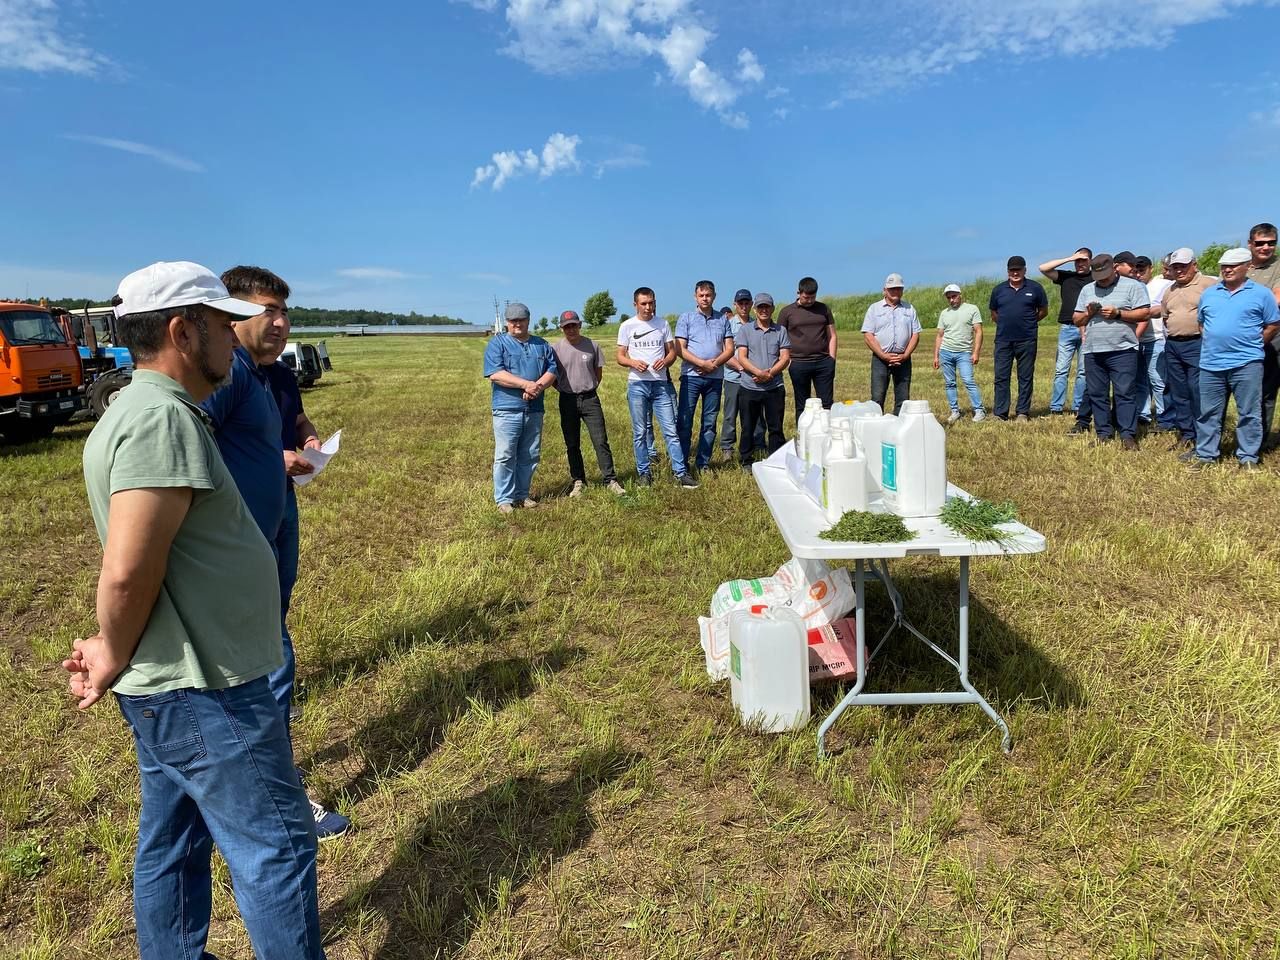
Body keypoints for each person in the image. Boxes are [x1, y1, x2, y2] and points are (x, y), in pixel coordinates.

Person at [65, 260, 326, 960]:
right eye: (218, 320)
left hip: (175, 686)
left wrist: (114, 646)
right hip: (207, 687)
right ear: (184, 331)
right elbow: (125, 571)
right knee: (277, 846)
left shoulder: (137, 412)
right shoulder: (160, 421)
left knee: (174, 838)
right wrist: (111, 648)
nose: (232, 332)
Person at [201, 265, 348, 839]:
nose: (282, 324)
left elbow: (289, 420)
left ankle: (263, 777)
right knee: (268, 654)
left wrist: (304, 443)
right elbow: (199, 454)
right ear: (233, 314)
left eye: (285, 312)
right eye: (269, 311)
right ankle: (279, 790)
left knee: (274, 635)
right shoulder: (226, 377)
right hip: (242, 537)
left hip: (279, 515)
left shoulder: (272, 374)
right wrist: (273, 462)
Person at [1188, 247, 1280, 468]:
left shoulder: (1261, 294)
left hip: (1247, 363)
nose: (1227, 270)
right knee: (1208, 412)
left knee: (1249, 412)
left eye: (1232, 266)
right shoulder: (1210, 293)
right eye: (1224, 266)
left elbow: (1273, 324)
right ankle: (1206, 455)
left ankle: (1248, 457)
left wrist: (1255, 344)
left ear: (1247, 266)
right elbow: (1202, 324)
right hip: (1211, 363)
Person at [617, 287, 698, 488]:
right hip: (637, 385)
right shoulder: (627, 326)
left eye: (651, 302)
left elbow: (672, 352)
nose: (648, 307)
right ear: (635, 304)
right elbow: (619, 356)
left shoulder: (662, 324)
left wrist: (666, 361)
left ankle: (681, 473)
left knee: (670, 430)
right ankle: (644, 474)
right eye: (643, 303)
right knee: (640, 432)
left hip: (661, 385)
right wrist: (633, 363)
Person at [483, 302, 559, 512]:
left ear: (528, 321)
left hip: (534, 409)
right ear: (507, 323)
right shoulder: (497, 344)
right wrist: (526, 384)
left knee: (530, 454)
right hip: (507, 409)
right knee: (506, 454)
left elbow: (552, 370)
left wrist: (537, 387)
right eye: (513, 321)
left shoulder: (542, 345)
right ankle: (504, 499)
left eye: (521, 320)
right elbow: (495, 374)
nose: (518, 324)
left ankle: (521, 494)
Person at [1072, 254, 1151, 449]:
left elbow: (1144, 313)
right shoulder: (1087, 289)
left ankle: (1127, 435)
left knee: (1124, 392)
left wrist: (1119, 313)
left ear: (1114, 269)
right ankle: (1103, 433)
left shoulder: (1132, 286)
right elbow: (1076, 319)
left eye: (1106, 276)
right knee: (1098, 394)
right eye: (1098, 277)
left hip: (1123, 350)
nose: (1102, 280)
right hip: (1093, 350)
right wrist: (1089, 314)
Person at [552, 309, 625, 497]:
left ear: (580, 325)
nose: (571, 329)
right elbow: (552, 377)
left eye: (574, 325)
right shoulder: (555, 349)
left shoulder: (592, 345)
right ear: (561, 329)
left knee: (600, 440)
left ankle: (610, 479)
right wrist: (563, 390)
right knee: (572, 443)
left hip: (590, 399)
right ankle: (578, 480)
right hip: (567, 400)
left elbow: (597, 373)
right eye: (567, 327)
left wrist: (589, 387)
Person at [1159, 248, 1217, 451]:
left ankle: (1204, 435)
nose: (1179, 270)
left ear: (1194, 264)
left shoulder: (1209, 285)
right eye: (1175, 267)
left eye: (1183, 266)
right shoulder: (1170, 290)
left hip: (1197, 343)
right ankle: (1187, 433)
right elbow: (1166, 317)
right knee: (1179, 391)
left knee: (1197, 390)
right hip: (1174, 344)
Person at [675, 280, 734, 472]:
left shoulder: (723, 319)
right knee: (685, 421)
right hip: (691, 376)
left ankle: (703, 463)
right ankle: (682, 462)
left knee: (709, 423)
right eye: (701, 295)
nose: (705, 299)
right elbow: (679, 349)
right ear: (695, 297)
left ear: (714, 296)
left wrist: (713, 364)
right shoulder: (686, 318)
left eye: (708, 295)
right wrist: (701, 363)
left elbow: (730, 349)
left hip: (715, 378)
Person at [988, 255, 1048, 420]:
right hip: (1003, 340)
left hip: (1027, 339)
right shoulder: (998, 290)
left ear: (1025, 270)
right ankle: (1000, 412)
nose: (1015, 273)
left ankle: (1022, 412)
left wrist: (1028, 322)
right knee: (1001, 377)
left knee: (1025, 376)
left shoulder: (1035, 288)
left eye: (1018, 270)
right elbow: (994, 313)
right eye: (1012, 270)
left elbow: (1043, 311)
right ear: (1007, 271)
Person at [734, 293, 791, 465]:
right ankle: (746, 459)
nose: (764, 310)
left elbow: (785, 357)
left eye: (767, 307)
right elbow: (742, 357)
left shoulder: (781, 330)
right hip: (750, 387)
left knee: (775, 427)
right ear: (755, 309)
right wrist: (758, 373)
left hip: (774, 386)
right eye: (760, 307)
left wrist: (770, 374)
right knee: (747, 426)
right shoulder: (745, 330)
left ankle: (775, 459)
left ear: (772, 309)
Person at [1039, 248, 1092, 414]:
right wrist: (1069, 258)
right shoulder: (1066, 277)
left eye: (1084, 260)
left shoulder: (1095, 278)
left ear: (1091, 261)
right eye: (1078, 261)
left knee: (1083, 371)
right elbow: (1043, 268)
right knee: (1061, 370)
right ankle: (1056, 407)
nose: (1080, 264)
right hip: (1067, 328)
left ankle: (1078, 406)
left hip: (1088, 328)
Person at [777, 276, 837, 422]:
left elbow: (832, 335)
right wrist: (788, 361)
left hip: (823, 363)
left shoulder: (824, 309)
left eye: (812, 297)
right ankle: (803, 435)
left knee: (826, 403)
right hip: (798, 363)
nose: (809, 300)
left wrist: (832, 358)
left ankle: (827, 432)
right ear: (798, 293)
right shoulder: (787, 312)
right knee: (802, 404)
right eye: (806, 297)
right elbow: (779, 339)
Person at [861, 273, 921, 415]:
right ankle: (877, 427)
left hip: (903, 359)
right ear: (884, 290)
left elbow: (916, 334)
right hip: (880, 359)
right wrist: (883, 355)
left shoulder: (909, 309)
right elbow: (868, 335)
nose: (895, 292)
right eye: (892, 289)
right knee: (877, 397)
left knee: (903, 398)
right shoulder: (874, 309)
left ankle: (899, 427)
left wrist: (906, 355)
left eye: (898, 289)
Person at [1245, 222, 1280, 449]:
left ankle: (1260, 442)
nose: (1266, 248)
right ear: (1250, 244)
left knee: (1266, 391)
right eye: (1260, 243)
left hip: (1270, 337)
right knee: (1246, 392)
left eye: (1271, 243)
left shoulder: (1278, 267)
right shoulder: (1240, 267)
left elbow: (1276, 299)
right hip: (1241, 337)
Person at [719, 288, 765, 459]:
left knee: (757, 414)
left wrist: (757, 372)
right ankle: (727, 446)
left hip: (754, 378)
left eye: (747, 303)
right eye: (741, 303)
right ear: (735, 305)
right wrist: (741, 368)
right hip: (734, 377)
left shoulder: (757, 324)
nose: (744, 306)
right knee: (731, 413)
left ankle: (759, 443)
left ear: (752, 304)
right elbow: (724, 352)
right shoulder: (728, 325)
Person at [932, 284, 986, 422]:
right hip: (946, 352)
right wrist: (936, 356)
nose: (951, 300)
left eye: (954, 296)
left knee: (968, 380)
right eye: (949, 297)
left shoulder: (972, 309)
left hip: (964, 353)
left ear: (960, 295)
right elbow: (940, 335)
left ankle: (979, 410)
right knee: (950, 383)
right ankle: (955, 411)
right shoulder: (944, 313)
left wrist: (976, 353)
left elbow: (978, 331)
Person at [1135, 255, 1175, 431]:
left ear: (1151, 268)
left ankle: (1163, 416)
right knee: (1140, 381)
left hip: (1156, 338)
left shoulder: (1162, 284)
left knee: (1158, 380)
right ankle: (1143, 414)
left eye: (1142, 270)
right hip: (1137, 339)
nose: (1138, 274)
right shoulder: (1133, 287)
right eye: (1136, 271)